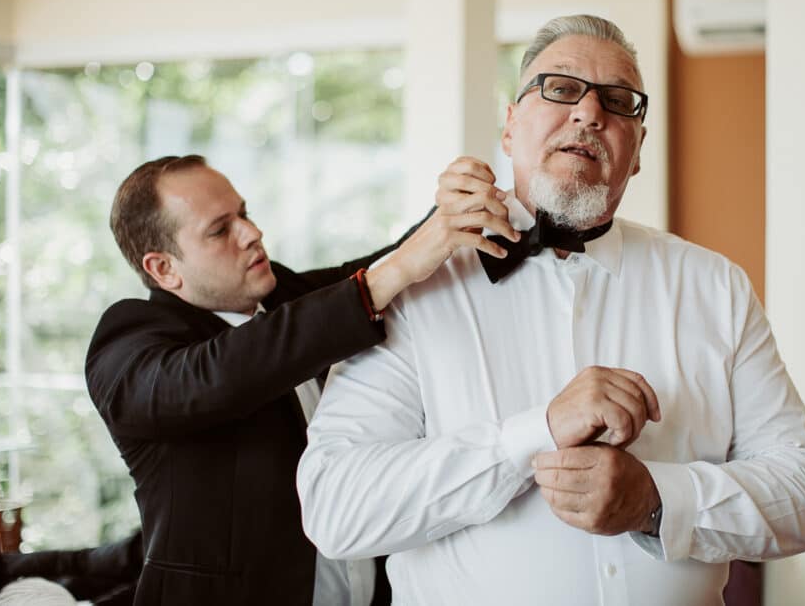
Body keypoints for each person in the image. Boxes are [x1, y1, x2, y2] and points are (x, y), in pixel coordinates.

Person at [297, 15, 805, 605]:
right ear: (509, 126)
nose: (588, 113)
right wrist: (534, 435)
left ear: (637, 152)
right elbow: (336, 510)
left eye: (618, 101)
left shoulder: (715, 286)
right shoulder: (418, 289)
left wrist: (657, 499)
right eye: (560, 88)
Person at [85, 154, 515, 606]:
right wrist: (385, 277)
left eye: (244, 214)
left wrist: (451, 206)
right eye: (220, 230)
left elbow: (386, 267)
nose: (252, 233)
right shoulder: (130, 340)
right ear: (163, 268)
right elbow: (209, 377)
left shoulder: (283, 298)